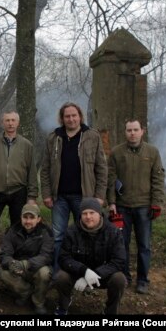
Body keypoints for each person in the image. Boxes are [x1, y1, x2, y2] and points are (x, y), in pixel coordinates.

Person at [39, 102, 107, 270]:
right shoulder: (53, 138)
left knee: (86, 235)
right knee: (57, 236)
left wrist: (99, 196)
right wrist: (46, 194)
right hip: (59, 197)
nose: (71, 119)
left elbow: (102, 168)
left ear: (80, 116)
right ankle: (56, 272)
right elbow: (45, 168)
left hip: (85, 197)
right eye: (67, 116)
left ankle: (86, 273)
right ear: (62, 118)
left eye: (74, 115)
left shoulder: (92, 136)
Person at [107, 119, 164, 294]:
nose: (132, 133)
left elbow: (157, 179)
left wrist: (156, 203)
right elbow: (110, 179)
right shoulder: (116, 152)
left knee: (144, 245)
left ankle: (142, 280)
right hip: (122, 208)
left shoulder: (152, 152)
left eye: (135, 130)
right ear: (125, 132)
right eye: (129, 130)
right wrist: (112, 203)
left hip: (144, 207)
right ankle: (124, 276)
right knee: (121, 244)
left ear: (142, 131)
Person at [55, 197, 126, 315]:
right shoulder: (72, 231)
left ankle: (110, 311)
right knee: (61, 277)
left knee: (119, 279)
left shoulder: (113, 232)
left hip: (102, 276)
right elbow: (63, 258)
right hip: (78, 273)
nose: (88, 217)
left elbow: (119, 260)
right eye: (84, 213)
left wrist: (96, 274)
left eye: (92, 213)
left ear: (99, 214)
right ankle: (63, 306)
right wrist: (84, 271)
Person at [0, 111, 38, 241]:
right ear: (2, 123)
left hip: (18, 191)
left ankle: (14, 254)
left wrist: (32, 197)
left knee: (18, 226)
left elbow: (32, 173)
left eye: (13, 120)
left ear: (18, 123)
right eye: (7, 120)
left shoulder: (27, 145)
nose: (10, 123)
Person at [0, 204, 52, 315]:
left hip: (36, 268)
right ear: (21, 217)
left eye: (32, 218)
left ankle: (38, 302)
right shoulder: (12, 230)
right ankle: (26, 292)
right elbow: (5, 254)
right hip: (17, 268)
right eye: (25, 217)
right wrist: (11, 263)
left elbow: (46, 256)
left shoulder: (46, 232)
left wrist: (26, 264)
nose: (28, 221)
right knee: (1, 272)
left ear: (38, 219)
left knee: (45, 272)